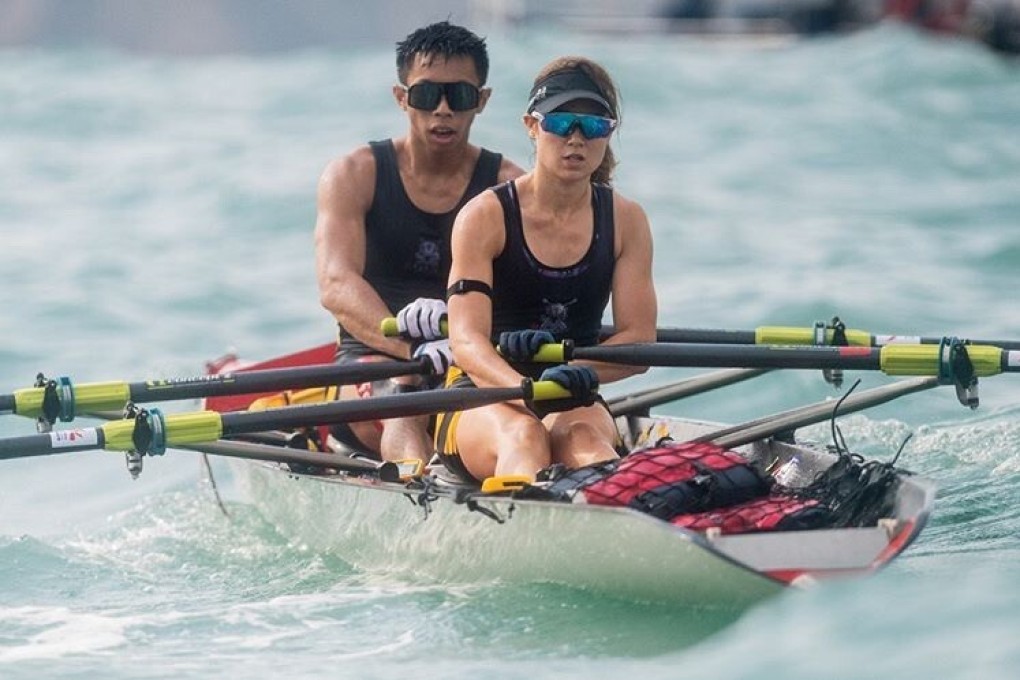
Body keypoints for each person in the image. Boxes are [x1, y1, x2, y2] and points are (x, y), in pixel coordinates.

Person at [435, 56, 658, 484]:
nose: (576, 139)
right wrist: (523, 387)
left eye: (593, 127)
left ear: (608, 135)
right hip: (484, 390)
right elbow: (465, 342)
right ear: (532, 126)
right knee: (523, 436)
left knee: (586, 444)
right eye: (560, 123)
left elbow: (639, 341)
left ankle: (611, 519)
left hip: (572, 390)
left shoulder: (627, 220)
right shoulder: (484, 217)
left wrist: (586, 371)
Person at [314, 21, 524, 465]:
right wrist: (413, 349)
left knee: (528, 418)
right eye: (427, 95)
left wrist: (465, 342)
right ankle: (418, 487)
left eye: (460, 95)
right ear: (401, 98)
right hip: (374, 356)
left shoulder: (511, 188)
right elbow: (336, 284)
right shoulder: (355, 175)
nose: (443, 110)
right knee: (404, 399)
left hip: (469, 357)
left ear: (482, 101)